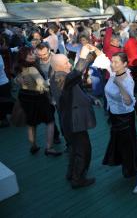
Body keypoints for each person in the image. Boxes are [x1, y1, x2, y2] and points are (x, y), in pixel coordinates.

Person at [50, 45, 98, 188]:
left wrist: (91, 99)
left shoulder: (62, 76)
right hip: (73, 122)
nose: (69, 64)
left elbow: (77, 88)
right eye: (66, 63)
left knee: (74, 149)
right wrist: (83, 56)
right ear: (58, 66)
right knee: (83, 151)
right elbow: (76, 73)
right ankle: (78, 179)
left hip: (70, 122)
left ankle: (71, 173)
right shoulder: (60, 77)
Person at [102, 52, 137, 193]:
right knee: (127, 141)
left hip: (125, 118)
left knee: (128, 145)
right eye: (113, 61)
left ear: (125, 64)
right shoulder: (114, 72)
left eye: (116, 62)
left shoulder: (127, 80)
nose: (113, 64)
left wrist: (119, 85)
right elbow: (102, 57)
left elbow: (129, 101)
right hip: (114, 116)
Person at [15, 47, 62, 156]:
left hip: (25, 97)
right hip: (37, 97)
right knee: (50, 121)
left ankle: (33, 146)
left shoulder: (20, 68)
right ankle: (49, 148)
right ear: (24, 57)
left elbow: (16, 80)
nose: (33, 55)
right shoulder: (32, 69)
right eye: (30, 54)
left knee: (31, 123)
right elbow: (42, 84)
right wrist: (49, 84)